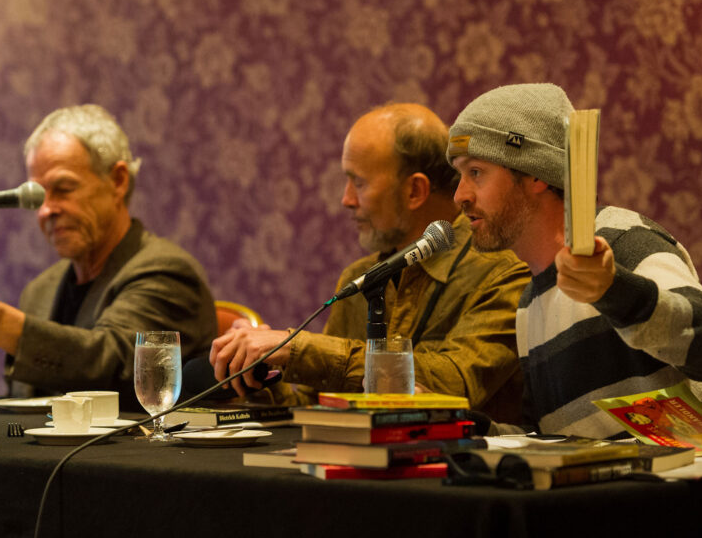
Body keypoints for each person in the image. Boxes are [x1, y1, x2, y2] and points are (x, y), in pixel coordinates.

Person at [446, 82, 702, 445]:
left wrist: (615, 290)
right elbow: (555, 440)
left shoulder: (623, 239)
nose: (460, 196)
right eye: (459, 175)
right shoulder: (530, 303)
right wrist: (460, 425)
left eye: (476, 172)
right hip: (622, 492)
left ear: (535, 173)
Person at [209, 103, 531, 422]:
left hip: (458, 467)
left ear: (415, 191)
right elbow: (312, 405)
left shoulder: (502, 274)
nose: (346, 199)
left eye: (358, 182)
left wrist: (297, 349)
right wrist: (258, 370)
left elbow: (456, 381)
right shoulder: (360, 278)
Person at [0, 105, 217, 403]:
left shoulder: (167, 272)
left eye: (64, 188)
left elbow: (112, 366)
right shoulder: (40, 291)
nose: (47, 209)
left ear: (118, 181)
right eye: (38, 195)